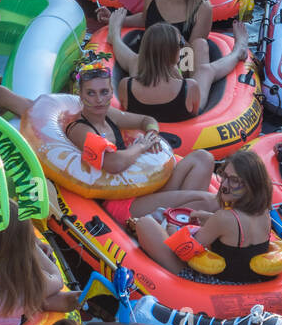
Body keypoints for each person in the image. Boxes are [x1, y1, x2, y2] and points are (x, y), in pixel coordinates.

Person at [64, 63, 215, 223]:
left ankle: (177, 221)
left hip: (144, 187)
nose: (99, 99)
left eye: (104, 92)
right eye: (91, 93)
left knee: (203, 158)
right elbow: (113, 163)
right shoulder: (80, 129)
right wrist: (142, 146)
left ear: (111, 93)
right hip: (121, 201)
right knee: (206, 201)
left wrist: (152, 133)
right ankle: (179, 222)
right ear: (80, 95)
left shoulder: (109, 115)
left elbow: (147, 120)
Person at [134, 148, 275, 283]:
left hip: (208, 283)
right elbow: (238, 238)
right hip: (246, 281)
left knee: (145, 223)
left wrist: (171, 230)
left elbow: (185, 251)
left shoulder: (223, 218)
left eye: (234, 180)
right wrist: (209, 217)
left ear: (251, 185)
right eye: (224, 176)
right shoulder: (264, 214)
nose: (224, 185)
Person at [111, 13, 249, 124]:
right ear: (174, 51)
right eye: (180, 44)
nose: (182, 47)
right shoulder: (190, 87)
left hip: (145, 111)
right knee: (206, 71)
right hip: (183, 118)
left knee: (135, 61)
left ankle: (115, 36)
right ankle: (238, 51)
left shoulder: (126, 84)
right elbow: (193, 114)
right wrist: (177, 77)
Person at [0, 212, 77, 325]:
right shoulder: (25, 280)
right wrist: (32, 246)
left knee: (20, 298)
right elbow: (57, 279)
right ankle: (52, 301)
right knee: (30, 297)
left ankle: (45, 301)